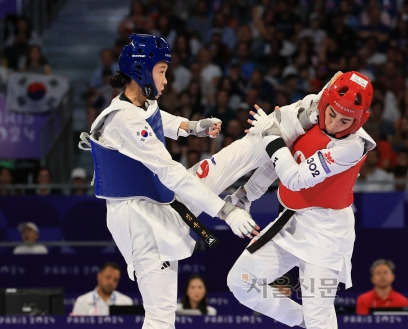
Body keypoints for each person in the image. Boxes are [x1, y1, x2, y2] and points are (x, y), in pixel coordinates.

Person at [78, 34, 258, 329]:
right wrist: (225, 211)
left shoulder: (140, 105)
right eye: (161, 71)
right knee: (160, 318)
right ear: (140, 72)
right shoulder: (122, 119)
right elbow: (169, 171)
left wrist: (193, 127)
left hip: (159, 202)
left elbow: (160, 118)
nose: (165, 80)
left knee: (235, 156)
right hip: (137, 220)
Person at [223, 71, 375, 329]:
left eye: (346, 121)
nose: (335, 124)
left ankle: (318, 324)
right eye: (332, 114)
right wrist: (248, 193)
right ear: (325, 102)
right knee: (241, 281)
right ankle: (307, 323)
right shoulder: (311, 112)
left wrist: (271, 135)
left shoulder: (353, 146)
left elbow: (294, 177)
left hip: (327, 235)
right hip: (290, 220)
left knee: (320, 317)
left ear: (360, 120)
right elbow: (279, 159)